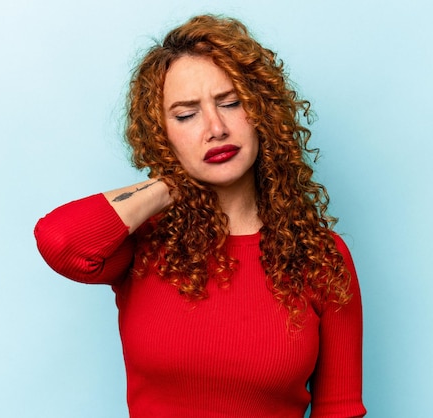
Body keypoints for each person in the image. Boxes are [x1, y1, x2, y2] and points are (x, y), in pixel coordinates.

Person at [34, 14, 366, 418]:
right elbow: (61, 241)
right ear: (162, 133)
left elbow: (340, 409)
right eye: (186, 115)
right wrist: (170, 182)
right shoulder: (144, 243)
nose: (215, 128)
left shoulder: (321, 257)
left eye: (230, 102)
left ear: (261, 111)